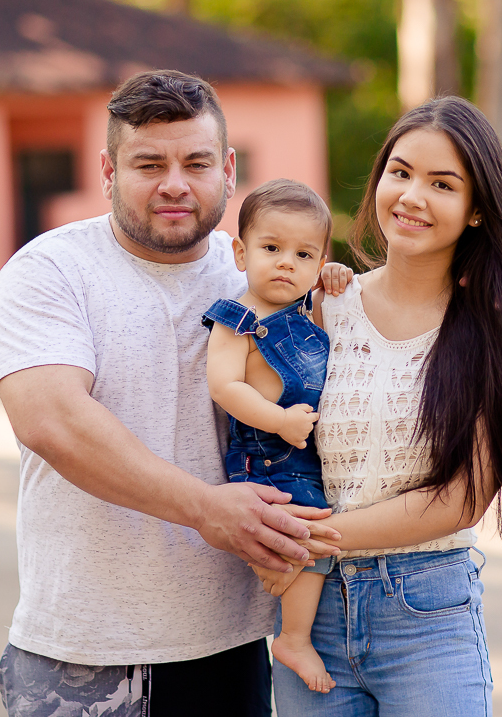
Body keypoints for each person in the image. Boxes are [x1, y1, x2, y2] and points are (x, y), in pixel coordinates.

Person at [0, 70, 340, 717]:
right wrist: (205, 508)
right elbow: (52, 422)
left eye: (196, 162)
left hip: (230, 643)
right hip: (84, 651)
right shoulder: (50, 271)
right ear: (108, 170)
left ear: (228, 171)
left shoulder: (260, 276)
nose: (175, 182)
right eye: (149, 163)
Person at [256, 96, 502, 716]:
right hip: (310, 618)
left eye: (442, 184)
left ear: (477, 210)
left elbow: (463, 497)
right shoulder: (322, 307)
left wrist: (306, 537)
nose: (412, 196)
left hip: (426, 616)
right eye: (400, 173)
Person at [203, 179, 342, 695]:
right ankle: (294, 637)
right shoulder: (237, 319)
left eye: (304, 254)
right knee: (310, 533)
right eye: (271, 249)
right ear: (240, 253)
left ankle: (281, 580)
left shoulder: (306, 310)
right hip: (267, 456)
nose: (287, 263)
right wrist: (277, 420)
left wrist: (333, 279)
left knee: (312, 534)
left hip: (302, 455)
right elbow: (224, 385)